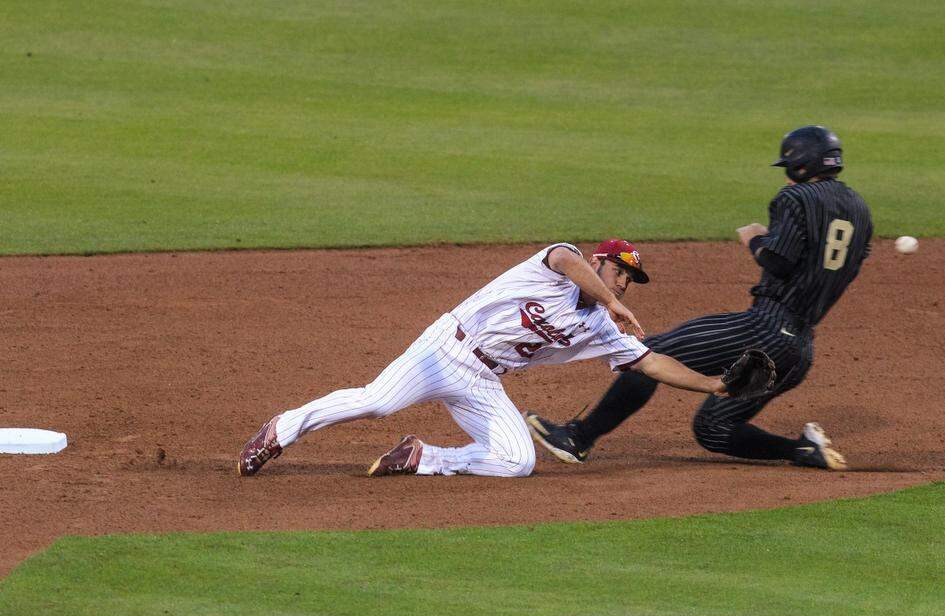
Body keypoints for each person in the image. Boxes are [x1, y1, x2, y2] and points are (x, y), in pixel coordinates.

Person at [525, 126, 873, 470]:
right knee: (713, 429)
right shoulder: (860, 210)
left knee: (651, 354)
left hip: (765, 328)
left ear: (802, 167)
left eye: (789, 171)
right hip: (799, 349)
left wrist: (755, 239)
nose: (787, 180)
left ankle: (579, 437)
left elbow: (777, 262)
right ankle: (803, 450)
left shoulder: (794, 198)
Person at [238, 239, 734, 478]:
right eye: (618, 271)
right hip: (445, 346)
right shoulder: (560, 265)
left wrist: (713, 386)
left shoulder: (599, 326)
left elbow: (648, 362)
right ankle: (282, 429)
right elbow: (565, 260)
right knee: (378, 401)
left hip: (481, 380)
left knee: (519, 462)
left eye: (629, 280)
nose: (623, 282)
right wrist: (610, 300)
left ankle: (423, 456)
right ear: (598, 261)